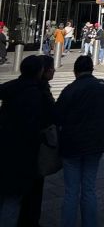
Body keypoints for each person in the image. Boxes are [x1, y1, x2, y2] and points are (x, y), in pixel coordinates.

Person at [56, 55, 104, 227]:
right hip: (95, 143)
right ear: (91, 69)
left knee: (71, 191)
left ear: (75, 71)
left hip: (72, 144)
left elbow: (58, 114)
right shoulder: (103, 86)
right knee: (89, 189)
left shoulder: (70, 89)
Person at [0, 55, 53, 226]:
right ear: (40, 72)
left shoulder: (11, 88)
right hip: (27, 150)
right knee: (17, 197)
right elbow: (49, 118)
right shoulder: (38, 94)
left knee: (9, 195)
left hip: (6, 145)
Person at [18, 55, 56, 227]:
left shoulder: (17, 88)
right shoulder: (39, 93)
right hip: (34, 145)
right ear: (41, 71)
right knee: (32, 188)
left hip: (22, 145)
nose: (53, 70)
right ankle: (30, 220)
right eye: (50, 67)